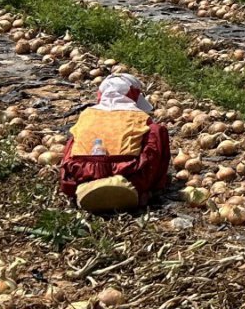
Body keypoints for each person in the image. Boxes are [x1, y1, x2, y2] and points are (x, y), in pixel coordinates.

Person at [59, 74, 171, 213]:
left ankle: (81, 186)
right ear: (133, 95)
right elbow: (152, 149)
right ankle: (141, 189)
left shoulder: (86, 114)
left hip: (82, 172)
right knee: (157, 130)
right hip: (127, 172)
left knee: (74, 136)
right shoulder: (140, 117)